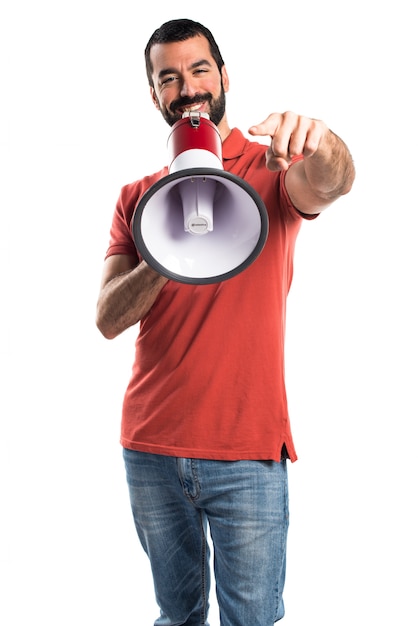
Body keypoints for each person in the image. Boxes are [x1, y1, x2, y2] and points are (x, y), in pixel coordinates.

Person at [96, 18, 355, 626]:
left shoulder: (272, 166)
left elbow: (333, 182)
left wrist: (324, 143)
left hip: (248, 454)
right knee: (177, 616)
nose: (187, 88)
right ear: (155, 95)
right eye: (169, 78)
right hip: (152, 448)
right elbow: (107, 318)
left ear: (224, 77)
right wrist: (168, 241)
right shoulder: (138, 196)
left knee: (253, 619)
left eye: (199, 70)